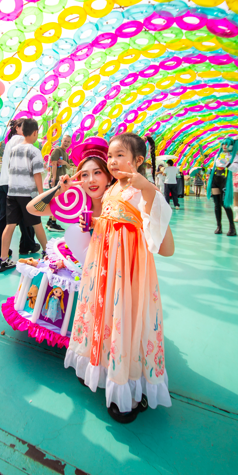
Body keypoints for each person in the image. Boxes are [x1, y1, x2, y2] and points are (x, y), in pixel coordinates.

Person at [65, 133, 174, 424]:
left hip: (129, 271)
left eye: (119, 155)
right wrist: (93, 221)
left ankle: (127, 387)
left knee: (125, 317)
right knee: (105, 315)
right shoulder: (112, 189)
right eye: (110, 156)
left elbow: (163, 241)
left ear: (138, 160)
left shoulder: (144, 190)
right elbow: (112, 220)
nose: (112, 161)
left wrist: (147, 188)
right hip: (104, 267)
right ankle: (99, 367)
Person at [2, 137, 112, 348]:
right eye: (85, 174)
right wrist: (58, 190)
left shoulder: (116, 203)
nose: (91, 180)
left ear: (108, 175)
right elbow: (32, 208)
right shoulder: (79, 202)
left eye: (97, 172)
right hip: (82, 260)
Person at [0, 118, 48, 273]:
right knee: (37, 223)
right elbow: (37, 174)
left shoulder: (13, 150)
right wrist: (41, 194)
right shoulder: (34, 151)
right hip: (27, 194)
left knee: (10, 225)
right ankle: (47, 252)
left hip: (12, 193)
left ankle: (2, 259)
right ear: (35, 133)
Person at [0, 119, 39, 260]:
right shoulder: (19, 140)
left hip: (4, 183)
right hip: (16, 183)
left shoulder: (11, 141)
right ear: (17, 128)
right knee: (28, 213)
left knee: (3, 217)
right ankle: (27, 244)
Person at [207, 138, 238, 236]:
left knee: (225, 204)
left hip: (225, 181)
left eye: (227, 144)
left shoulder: (235, 157)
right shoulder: (217, 155)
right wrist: (206, 170)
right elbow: (214, 167)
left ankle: (232, 228)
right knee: (217, 204)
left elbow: (235, 169)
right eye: (223, 144)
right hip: (215, 179)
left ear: (232, 146)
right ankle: (219, 227)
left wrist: (226, 162)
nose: (224, 146)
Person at [46, 133, 72, 233]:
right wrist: (54, 178)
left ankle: (49, 221)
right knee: (56, 201)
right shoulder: (57, 151)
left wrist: (65, 163)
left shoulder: (66, 154)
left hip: (61, 180)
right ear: (61, 141)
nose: (66, 143)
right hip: (57, 180)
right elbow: (54, 164)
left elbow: (69, 166)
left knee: (54, 201)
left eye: (68, 142)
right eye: (65, 141)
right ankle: (53, 223)